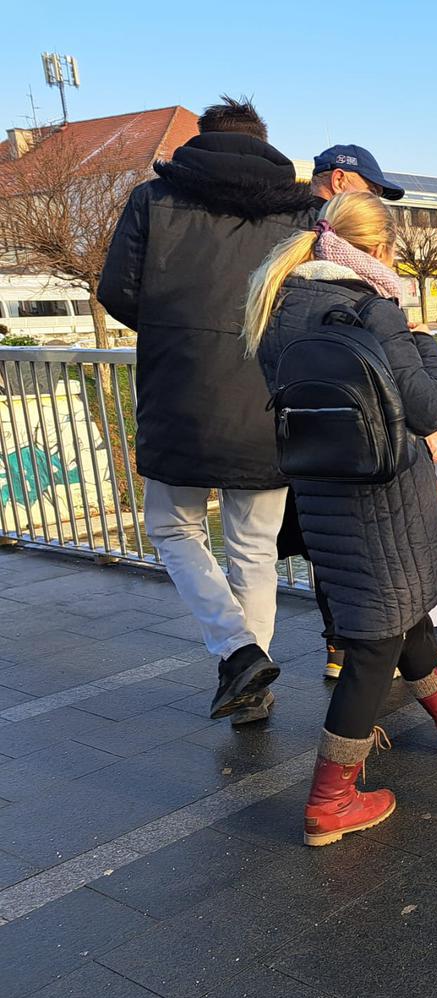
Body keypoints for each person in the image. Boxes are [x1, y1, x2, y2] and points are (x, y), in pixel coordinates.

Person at [243, 192, 437, 846]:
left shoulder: (278, 306)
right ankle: (331, 799)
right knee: (376, 641)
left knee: (396, 609)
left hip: (321, 490)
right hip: (383, 492)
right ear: (378, 250)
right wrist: (424, 345)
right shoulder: (374, 311)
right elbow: (428, 404)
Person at [98, 97, 317, 724]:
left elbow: (117, 290)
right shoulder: (300, 210)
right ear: (263, 141)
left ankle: (236, 651)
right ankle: (252, 682)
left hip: (180, 393)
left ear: (201, 140)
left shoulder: (153, 200)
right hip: (270, 397)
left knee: (172, 527)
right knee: (252, 545)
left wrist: (176, 331)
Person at [306, 144, 403, 680]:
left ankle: (343, 650)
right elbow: (420, 396)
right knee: (385, 562)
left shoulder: (284, 282)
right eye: (373, 193)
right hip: (363, 447)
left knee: (334, 549)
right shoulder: (371, 300)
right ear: (342, 183)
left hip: (307, 441)